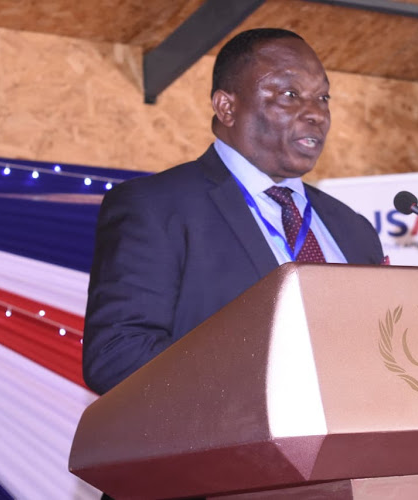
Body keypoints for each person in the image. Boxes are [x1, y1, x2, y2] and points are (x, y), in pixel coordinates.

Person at [82, 28, 384, 395]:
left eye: (322, 97)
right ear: (227, 107)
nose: (316, 114)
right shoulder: (158, 207)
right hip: (231, 445)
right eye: (290, 95)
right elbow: (117, 355)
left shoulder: (353, 229)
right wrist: (273, 381)